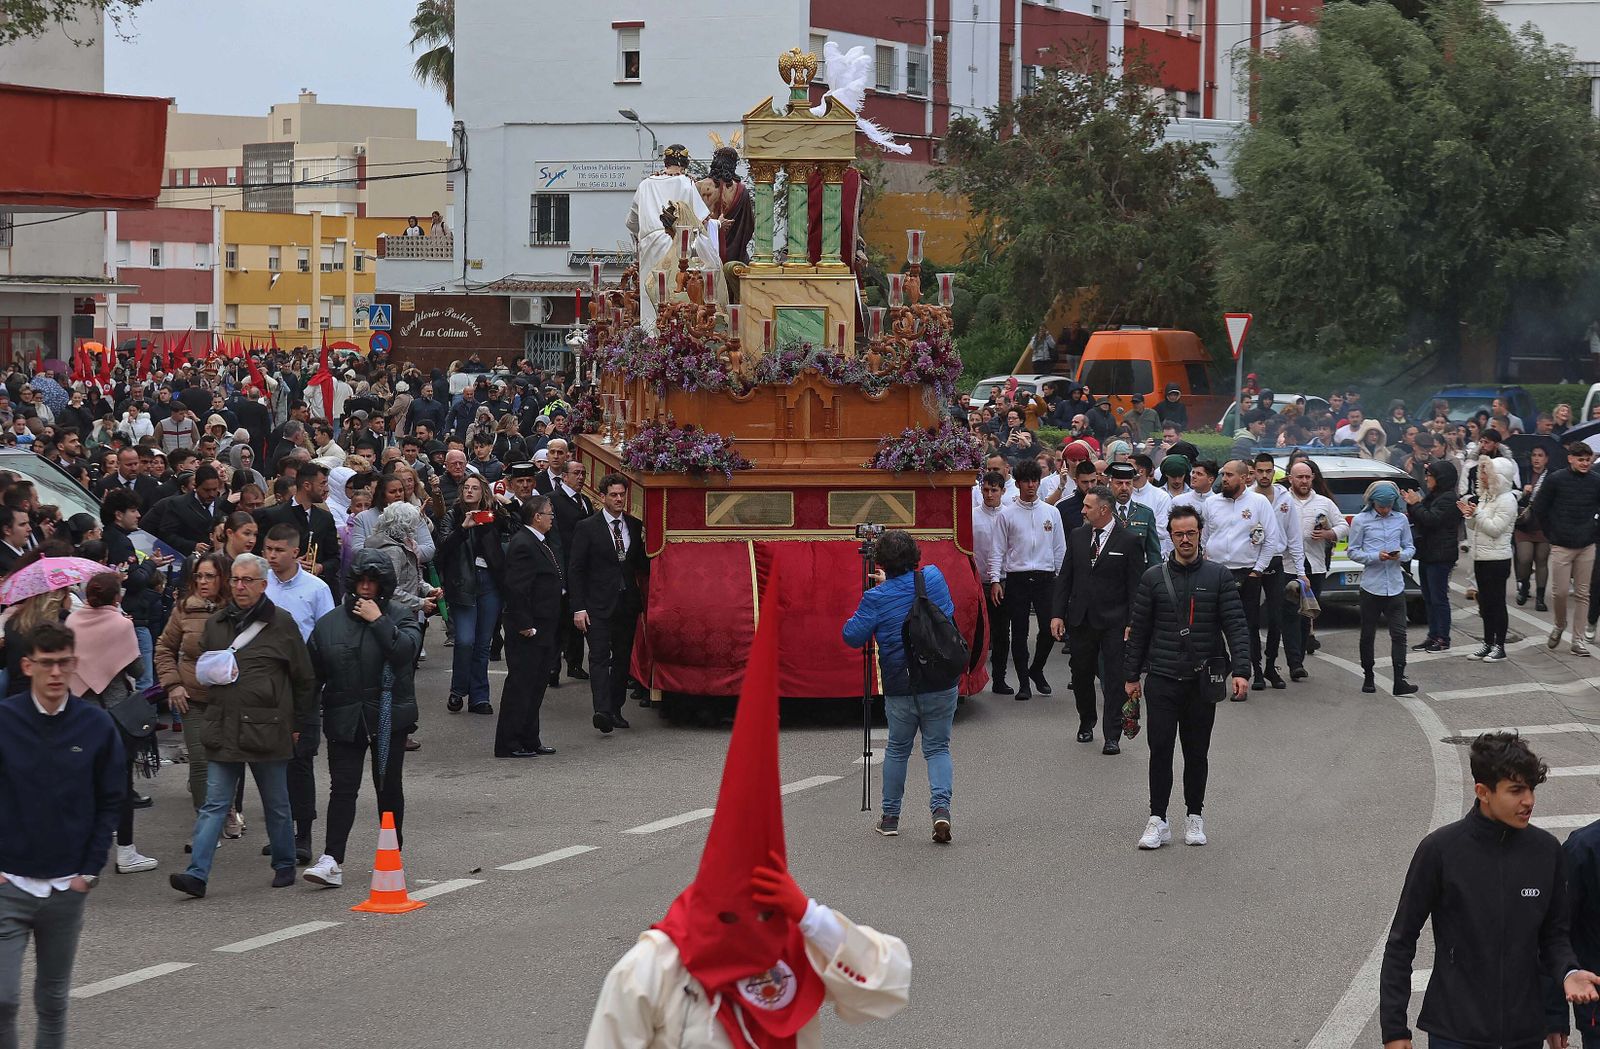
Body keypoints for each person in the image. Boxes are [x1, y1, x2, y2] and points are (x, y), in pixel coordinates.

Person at [588, 587, 910, 1046]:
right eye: (735, 914)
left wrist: (809, 916)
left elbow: (888, 985)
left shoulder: (789, 943)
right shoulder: (651, 969)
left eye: (764, 913)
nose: (753, 927)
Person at [1379, 732, 1600, 1049]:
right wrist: (1394, 1029)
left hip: (1524, 1034)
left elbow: (1554, 937)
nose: (1529, 801)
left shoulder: (1546, 851)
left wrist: (1569, 973)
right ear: (1482, 792)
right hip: (1455, 1032)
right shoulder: (1440, 851)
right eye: (1516, 790)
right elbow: (1401, 942)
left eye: (1531, 789)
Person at [0, 622, 124, 1049]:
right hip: (9, 883)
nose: (56, 673)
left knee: (52, 1002)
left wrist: (88, 871)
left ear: (74, 664)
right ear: (27, 666)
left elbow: (111, 800)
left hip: (66, 886)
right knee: (2, 999)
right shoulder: (5, 720)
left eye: (64, 663)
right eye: (47, 663)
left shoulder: (96, 725)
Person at [170, 553, 317, 898]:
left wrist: (298, 722)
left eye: (247, 580)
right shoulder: (217, 623)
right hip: (224, 726)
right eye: (235, 579)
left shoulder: (282, 623)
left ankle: (284, 863)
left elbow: (304, 678)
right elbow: (205, 667)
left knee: (276, 804)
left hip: (268, 727)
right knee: (214, 805)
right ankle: (196, 875)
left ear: (263, 585)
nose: (239, 586)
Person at [1122, 506, 1251, 850]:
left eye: (1190, 533)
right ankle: (1158, 819)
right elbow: (1138, 631)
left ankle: (1195, 815)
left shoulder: (1219, 576)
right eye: (1178, 534)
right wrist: (1130, 677)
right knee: (1160, 751)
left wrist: (1241, 670)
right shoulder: (1152, 578)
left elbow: (1236, 625)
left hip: (1201, 682)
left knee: (1196, 753)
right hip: (1162, 679)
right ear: (1170, 536)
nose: (1185, 539)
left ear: (1199, 534)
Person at [301, 550, 423, 890]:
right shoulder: (329, 624)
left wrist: (378, 620)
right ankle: (331, 859)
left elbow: (405, 653)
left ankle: (392, 852)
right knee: (342, 789)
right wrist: (301, 721)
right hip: (345, 717)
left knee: (388, 787)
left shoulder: (401, 616)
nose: (366, 588)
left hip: (389, 717)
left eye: (373, 582)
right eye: (361, 581)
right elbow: (311, 677)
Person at [842, 530, 959, 840]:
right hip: (940, 678)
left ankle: (890, 817)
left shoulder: (876, 598)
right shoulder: (933, 578)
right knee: (938, 748)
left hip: (901, 682)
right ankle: (941, 810)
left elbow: (851, 636)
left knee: (897, 749)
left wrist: (881, 592)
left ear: (881, 561)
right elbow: (946, 610)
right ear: (915, 555)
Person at [65, 574, 154, 875]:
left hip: (80, 713)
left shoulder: (72, 622)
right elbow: (138, 669)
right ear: (117, 597)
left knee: (86, 781)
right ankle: (126, 853)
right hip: (116, 714)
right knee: (122, 784)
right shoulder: (121, 625)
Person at [1050, 485, 1144, 753]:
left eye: (1087, 506)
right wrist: (1057, 614)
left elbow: (1135, 586)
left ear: (1104, 510)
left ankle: (1112, 734)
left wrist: (1132, 622)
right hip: (1081, 619)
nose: (1082, 510)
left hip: (1115, 621)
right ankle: (1086, 720)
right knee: (1081, 675)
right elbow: (1066, 577)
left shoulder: (1129, 541)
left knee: (1113, 679)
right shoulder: (1078, 536)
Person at [156, 551, 237, 834]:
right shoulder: (184, 609)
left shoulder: (237, 609)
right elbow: (164, 648)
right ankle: (206, 824)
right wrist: (173, 684)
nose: (203, 582)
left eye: (209, 576)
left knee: (227, 758)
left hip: (229, 698)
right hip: (192, 698)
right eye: (199, 576)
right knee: (200, 761)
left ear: (223, 579)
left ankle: (227, 808)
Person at [569, 473, 648, 734]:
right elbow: (576, 569)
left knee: (622, 659)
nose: (618, 499)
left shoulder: (634, 526)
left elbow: (640, 564)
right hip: (597, 605)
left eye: (622, 495)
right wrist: (578, 608)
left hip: (626, 604)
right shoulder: (587, 527)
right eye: (613, 495)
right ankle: (602, 710)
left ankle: (615, 709)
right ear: (602, 497)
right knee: (600, 657)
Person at [987, 459, 1066, 702]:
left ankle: (1036, 669)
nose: (1031, 485)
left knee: (1049, 629)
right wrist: (995, 579)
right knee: (1019, 631)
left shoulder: (1052, 512)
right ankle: (1023, 683)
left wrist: (1062, 580)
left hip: (1045, 577)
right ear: (1018, 483)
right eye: (1026, 481)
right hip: (1017, 577)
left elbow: (1059, 548)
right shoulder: (1007, 514)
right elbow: (997, 549)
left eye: (1034, 481)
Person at [1201, 460, 1279, 692]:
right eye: (1223, 475)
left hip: (1247, 573)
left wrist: (1258, 570)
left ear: (1244, 478)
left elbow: (1271, 538)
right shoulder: (1211, 503)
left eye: (1230, 475)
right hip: (1216, 572)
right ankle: (1222, 665)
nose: (1224, 479)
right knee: (1213, 624)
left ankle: (1253, 669)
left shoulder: (1259, 502)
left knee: (1247, 625)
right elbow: (1204, 537)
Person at [495, 496, 562, 759]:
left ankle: (529, 738)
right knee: (521, 686)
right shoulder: (523, 543)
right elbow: (516, 588)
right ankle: (509, 742)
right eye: (549, 514)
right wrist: (524, 623)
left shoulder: (538, 541)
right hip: (529, 628)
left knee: (536, 685)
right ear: (537, 517)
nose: (552, 518)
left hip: (545, 625)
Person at [436, 474, 506, 715]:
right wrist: (463, 529)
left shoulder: (492, 515)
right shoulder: (453, 515)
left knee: (483, 644)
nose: (469, 491)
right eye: (466, 487)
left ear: (483, 492)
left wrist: (504, 506)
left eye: (475, 488)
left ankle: (479, 697)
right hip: (463, 582)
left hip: (489, 583)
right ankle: (458, 690)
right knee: (465, 640)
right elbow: (442, 549)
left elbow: (515, 529)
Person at [1348, 481, 1419, 696]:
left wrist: (1401, 555)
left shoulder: (1401, 519)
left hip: (1395, 586)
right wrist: (1375, 556)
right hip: (1372, 587)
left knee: (1399, 634)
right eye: (1381, 506)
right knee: (1368, 634)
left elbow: (1410, 547)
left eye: (1388, 506)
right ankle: (1368, 675)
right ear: (1373, 503)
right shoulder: (1361, 520)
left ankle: (1400, 680)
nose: (1385, 510)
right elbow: (1353, 551)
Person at [1534, 442, 1600, 656]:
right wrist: (1551, 533)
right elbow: (1539, 508)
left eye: (1588, 460)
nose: (1585, 463)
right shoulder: (1556, 479)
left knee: (1583, 593)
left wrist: (1594, 529)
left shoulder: (1596, 481)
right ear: (1570, 458)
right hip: (1561, 544)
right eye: (1580, 460)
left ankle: (1578, 640)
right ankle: (1559, 624)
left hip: (1587, 544)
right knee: (1560, 592)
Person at [1285, 460, 1346, 669]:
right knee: (1289, 614)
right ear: (1290, 479)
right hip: (1287, 565)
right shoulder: (1282, 501)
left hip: (1314, 565)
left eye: (1307, 477)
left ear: (1312, 478)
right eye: (1299, 477)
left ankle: (1299, 660)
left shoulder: (1324, 503)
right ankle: (1294, 663)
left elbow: (1343, 526)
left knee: (1306, 615)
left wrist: (1328, 534)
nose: (1304, 481)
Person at [1251, 452, 1305, 689]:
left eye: (1268, 471)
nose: (1264, 475)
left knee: (1276, 618)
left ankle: (1271, 666)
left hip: (1275, 562)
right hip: (1252, 563)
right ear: (1254, 472)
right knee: (1251, 619)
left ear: (1274, 472)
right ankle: (1255, 669)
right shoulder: (1248, 497)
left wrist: (1301, 572)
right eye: (1260, 471)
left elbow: (1294, 537)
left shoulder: (1285, 498)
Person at [972, 470, 1012, 696]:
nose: (989, 495)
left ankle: (999, 678)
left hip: (1003, 582)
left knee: (1001, 633)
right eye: (985, 490)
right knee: (977, 633)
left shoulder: (1009, 515)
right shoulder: (972, 516)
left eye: (994, 490)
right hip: (978, 581)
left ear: (1002, 491)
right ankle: (973, 678)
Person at [1517, 444, 1553, 613]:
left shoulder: (1552, 476)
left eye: (1540, 455)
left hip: (1543, 524)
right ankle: (1524, 585)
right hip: (1524, 523)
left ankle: (1540, 598)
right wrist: (1523, 493)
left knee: (1541, 560)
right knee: (1524, 558)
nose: (1537, 458)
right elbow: (1513, 495)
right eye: (1534, 455)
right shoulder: (1523, 473)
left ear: (1546, 459)